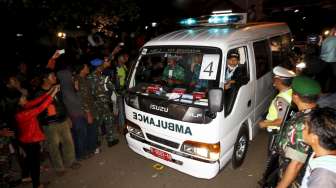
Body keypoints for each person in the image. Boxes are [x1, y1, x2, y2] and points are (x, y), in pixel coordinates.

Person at [276, 76, 321, 188]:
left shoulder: (301, 125)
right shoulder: (319, 114)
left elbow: (296, 163)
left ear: (295, 97)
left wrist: (281, 186)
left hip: (294, 178)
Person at [36, 69, 80, 176]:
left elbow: (62, 104)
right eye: (52, 76)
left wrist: (67, 117)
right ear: (45, 79)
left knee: (68, 142)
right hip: (50, 124)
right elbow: (38, 111)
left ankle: (71, 161)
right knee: (53, 147)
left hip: (62, 119)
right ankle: (59, 168)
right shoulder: (39, 94)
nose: (55, 78)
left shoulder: (56, 88)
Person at [15, 85, 59, 188]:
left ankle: (25, 177)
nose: (25, 97)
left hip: (27, 139)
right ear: (18, 101)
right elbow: (40, 108)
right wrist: (53, 94)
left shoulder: (24, 107)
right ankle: (37, 185)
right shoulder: (21, 114)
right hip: (30, 141)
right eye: (22, 97)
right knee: (35, 164)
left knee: (29, 160)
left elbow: (37, 101)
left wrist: (49, 92)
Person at [301, 107, 336, 188]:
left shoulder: (324, 178)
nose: (302, 130)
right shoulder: (322, 150)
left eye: (305, 128)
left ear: (314, 138)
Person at [88, 58, 119, 147]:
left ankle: (97, 141)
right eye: (101, 66)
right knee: (109, 120)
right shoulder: (104, 78)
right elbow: (113, 87)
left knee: (97, 122)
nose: (103, 67)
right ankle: (111, 140)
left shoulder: (88, 78)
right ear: (98, 67)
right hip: (103, 103)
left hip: (94, 104)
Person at [73, 63, 98, 155]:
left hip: (89, 108)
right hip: (86, 110)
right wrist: (88, 113)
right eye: (86, 67)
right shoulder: (79, 81)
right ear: (82, 69)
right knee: (91, 129)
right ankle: (91, 149)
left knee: (90, 129)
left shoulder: (84, 79)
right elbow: (82, 98)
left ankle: (91, 148)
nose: (88, 68)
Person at [319, 25, 336, 93]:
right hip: (333, 61)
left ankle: (323, 90)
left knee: (324, 78)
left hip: (323, 61)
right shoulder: (334, 39)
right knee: (332, 78)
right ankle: (330, 91)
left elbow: (321, 50)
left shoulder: (326, 39)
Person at [115, 53, 129, 134]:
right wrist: (119, 90)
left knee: (123, 110)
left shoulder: (124, 66)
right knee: (121, 110)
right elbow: (117, 82)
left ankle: (122, 126)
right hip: (120, 91)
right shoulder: (118, 68)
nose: (125, 59)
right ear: (120, 59)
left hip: (124, 90)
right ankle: (122, 127)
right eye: (123, 58)